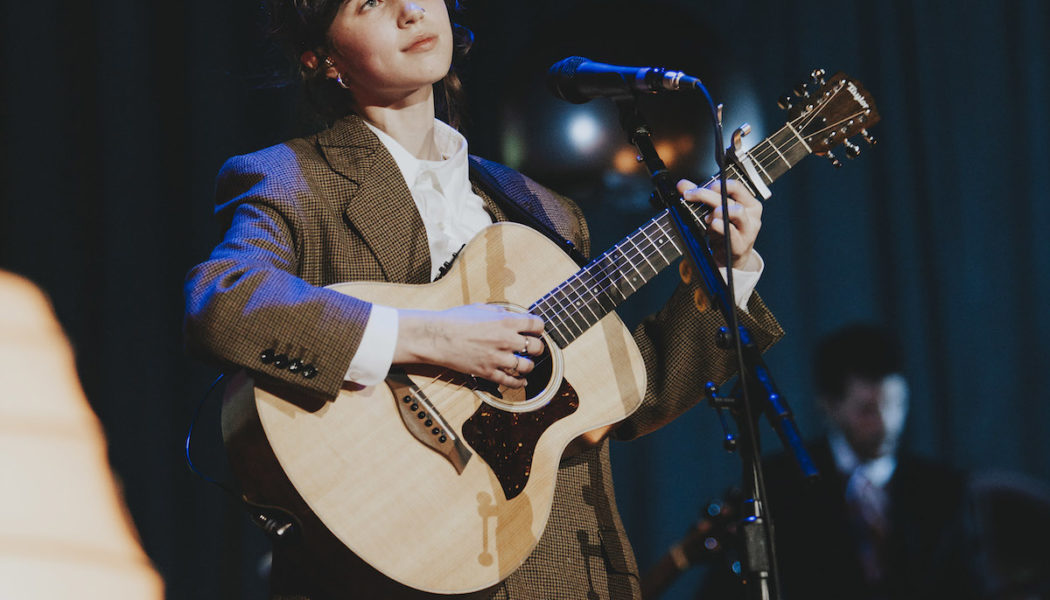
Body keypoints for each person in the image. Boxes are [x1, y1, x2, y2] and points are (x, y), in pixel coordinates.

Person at [183, 1, 782, 598]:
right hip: (383, 570)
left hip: (564, 573)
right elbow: (225, 301)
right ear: (322, 58)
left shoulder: (543, 209)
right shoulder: (290, 180)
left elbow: (628, 395)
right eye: (370, 2)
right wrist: (431, 336)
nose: (412, 10)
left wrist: (727, 274)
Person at [696, 323, 975, 600]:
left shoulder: (943, 489)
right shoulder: (778, 483)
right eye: (867, 410)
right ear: (829, 406)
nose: (886, 423)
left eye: (895, 405)